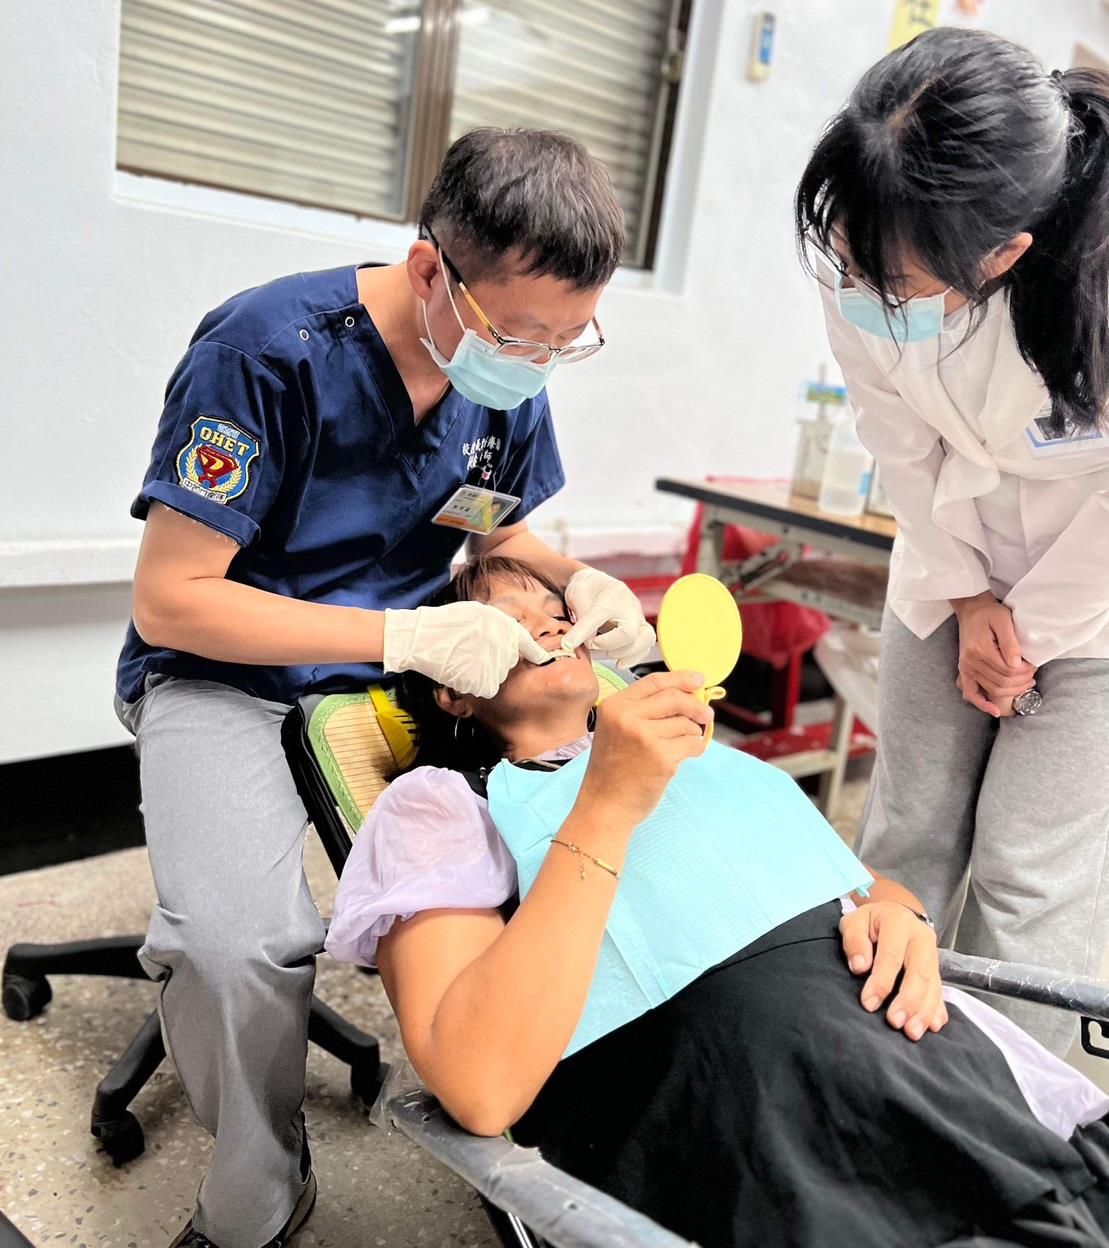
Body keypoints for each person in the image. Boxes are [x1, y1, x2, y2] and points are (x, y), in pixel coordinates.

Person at [114, 129, 656, 1248]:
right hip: (225, 676)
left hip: (404, 675)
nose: (536, 359)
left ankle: (562, 1159)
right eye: (518, 333)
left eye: (568, 339)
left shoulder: (504, 375)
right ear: (428, 271)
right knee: (238, 942)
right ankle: (259, 1188)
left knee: (570, 862)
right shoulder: (266, 350)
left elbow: (487, 531)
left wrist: (573, 576)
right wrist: (401, 633)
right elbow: (172, 600)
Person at [326, 554, 1109, 1248]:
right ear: (451, 692)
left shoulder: (691, 754)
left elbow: (847, 887)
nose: (550, 630)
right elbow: (478, 1083)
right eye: (509, 625)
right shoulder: (439, 804)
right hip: (760, 1120)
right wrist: (605, 803)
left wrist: (901, 911)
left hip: (933, 1065)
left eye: (559, 615)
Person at [795, 27, 1109, 1055]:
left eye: (901, 279)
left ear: (1002, 254)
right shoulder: (867, 249)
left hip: (1091, 601)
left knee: (1026, 879)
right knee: (905, 838)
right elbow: (899, 441)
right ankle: (877, 1086)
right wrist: (969, 598)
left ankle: (1012, 1125)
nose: (862, 291)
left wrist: (1027, 634)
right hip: (946, 559)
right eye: (849, 256)